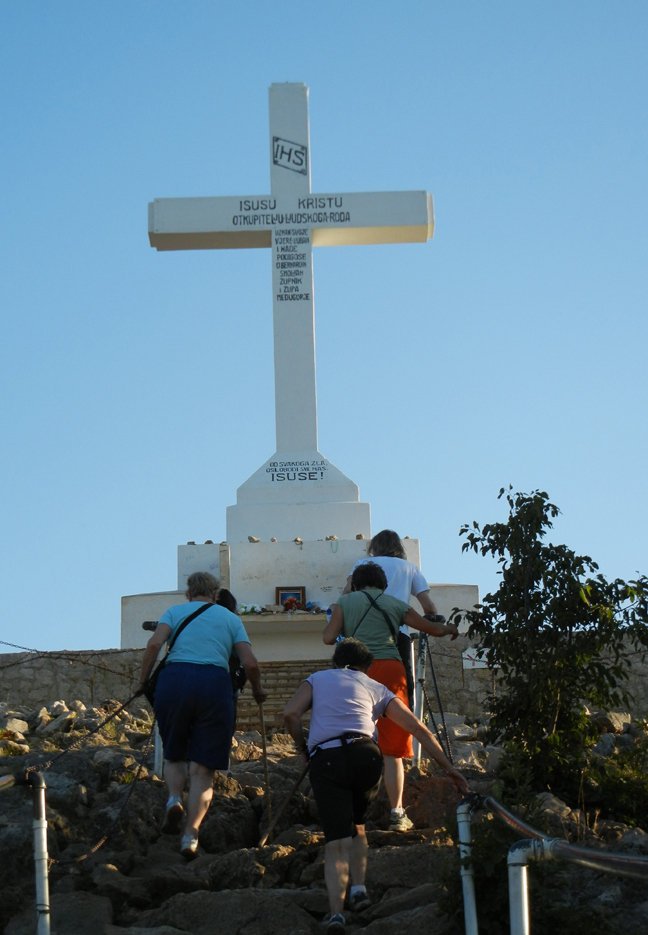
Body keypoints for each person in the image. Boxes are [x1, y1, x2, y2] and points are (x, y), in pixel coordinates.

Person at [283, 638, 469, 933]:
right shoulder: (374, 687)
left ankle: (335, 914)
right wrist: (450, 769)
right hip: (366, 757)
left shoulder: (317, 679)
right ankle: (358, 890)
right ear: (366, 667)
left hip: (327, 759)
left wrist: (302, 746)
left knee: (336, 840)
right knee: (357, 825)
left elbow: (291, 713)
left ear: (335, 661)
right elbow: (416, 728)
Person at [137, 571, 267, 859]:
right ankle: (190, 835)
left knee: (175, 755)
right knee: (203, 770)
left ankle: (173, 799)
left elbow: (154, 645)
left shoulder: (174, 611)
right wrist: (257, 690)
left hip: (175, 680)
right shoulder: (231, 619)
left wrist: (143, 680)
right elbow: (250, 663)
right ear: (216, 593)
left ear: (188, 592)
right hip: (214, 684)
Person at [325, 562, 458, 832]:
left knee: (353, 738)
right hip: (390, 670)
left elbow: (328, 638)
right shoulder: (394, 604)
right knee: (392, 749)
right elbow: (430, 628)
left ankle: (353, 812)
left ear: (356, 583)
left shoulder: (344, 602)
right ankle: (397, 812)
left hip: (354, 672)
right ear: (383, 583)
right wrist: (450, 629)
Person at [345, 529, 455, 709]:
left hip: (362, 635)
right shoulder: (409, 567)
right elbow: (428, 606)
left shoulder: (362, 564)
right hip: (397, 636)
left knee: (358, 688)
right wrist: (434, 619)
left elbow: (347, 594)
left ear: (374, 547)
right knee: (402, 687)